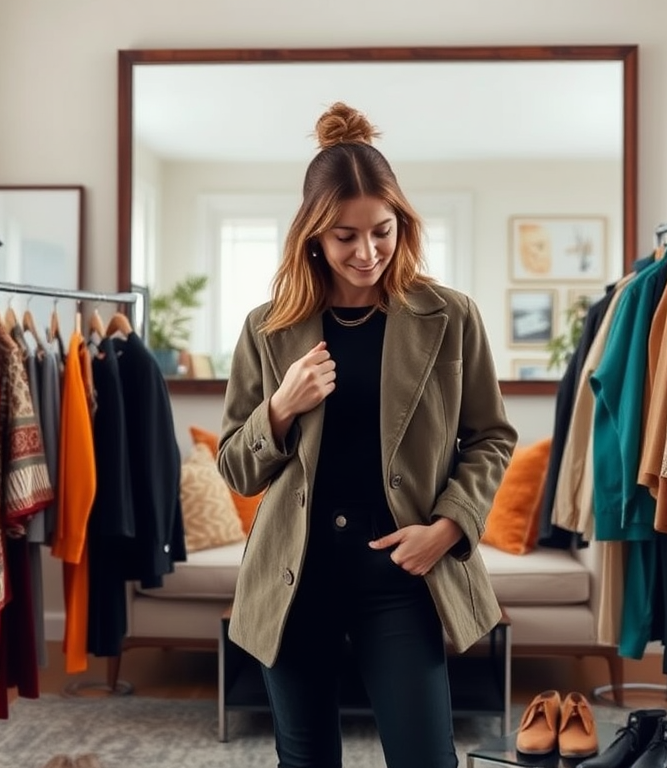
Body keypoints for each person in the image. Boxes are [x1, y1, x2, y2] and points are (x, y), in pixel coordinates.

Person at [216, 101, 517, 768]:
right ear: (313, 237)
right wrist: (280, 409)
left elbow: (492, 435)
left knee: (425, 757)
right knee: (306, 757)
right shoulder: (267, 328)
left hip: (400, 577)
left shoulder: (449, 316)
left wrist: (448, 526)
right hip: (295, 577)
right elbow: (237, 467)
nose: (367, 252)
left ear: (401, 223)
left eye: (381, 231)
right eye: (345, 237)